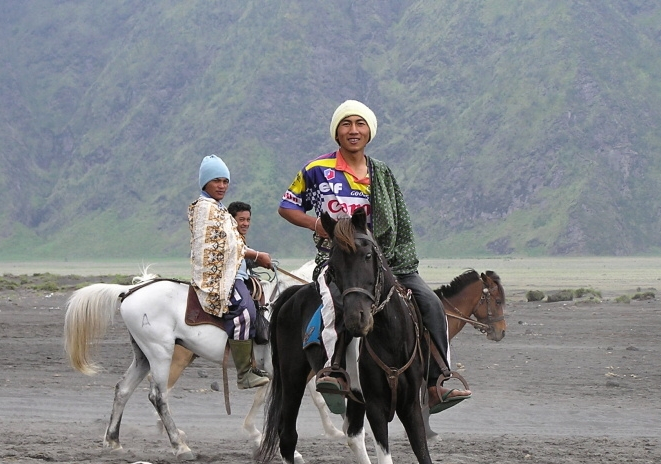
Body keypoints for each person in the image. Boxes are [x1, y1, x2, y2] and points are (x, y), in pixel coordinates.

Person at [277, 100, 471, 411]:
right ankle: (334, 372)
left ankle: (437, 383)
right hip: (338, 261)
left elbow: (398, 219)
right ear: (337, 133)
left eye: (360, 124)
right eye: (346, 124)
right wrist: (319, 226)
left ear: (369, 132)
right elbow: (287, 207)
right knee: (335, 304)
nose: (353, 130)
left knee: (431, 303)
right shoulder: (316, 170)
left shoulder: (381, 174)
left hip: (384, 261)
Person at [189, 155, 272, 389]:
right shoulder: (206, 208)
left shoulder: (219, 208)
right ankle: (244, 373)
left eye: (225, 181)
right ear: (205, 182)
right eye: (217, 180)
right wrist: (257, 256)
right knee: (244, 311)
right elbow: (225, 246)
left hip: (234, 271)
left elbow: (232, 243)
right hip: (219, 277)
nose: (222, 186)